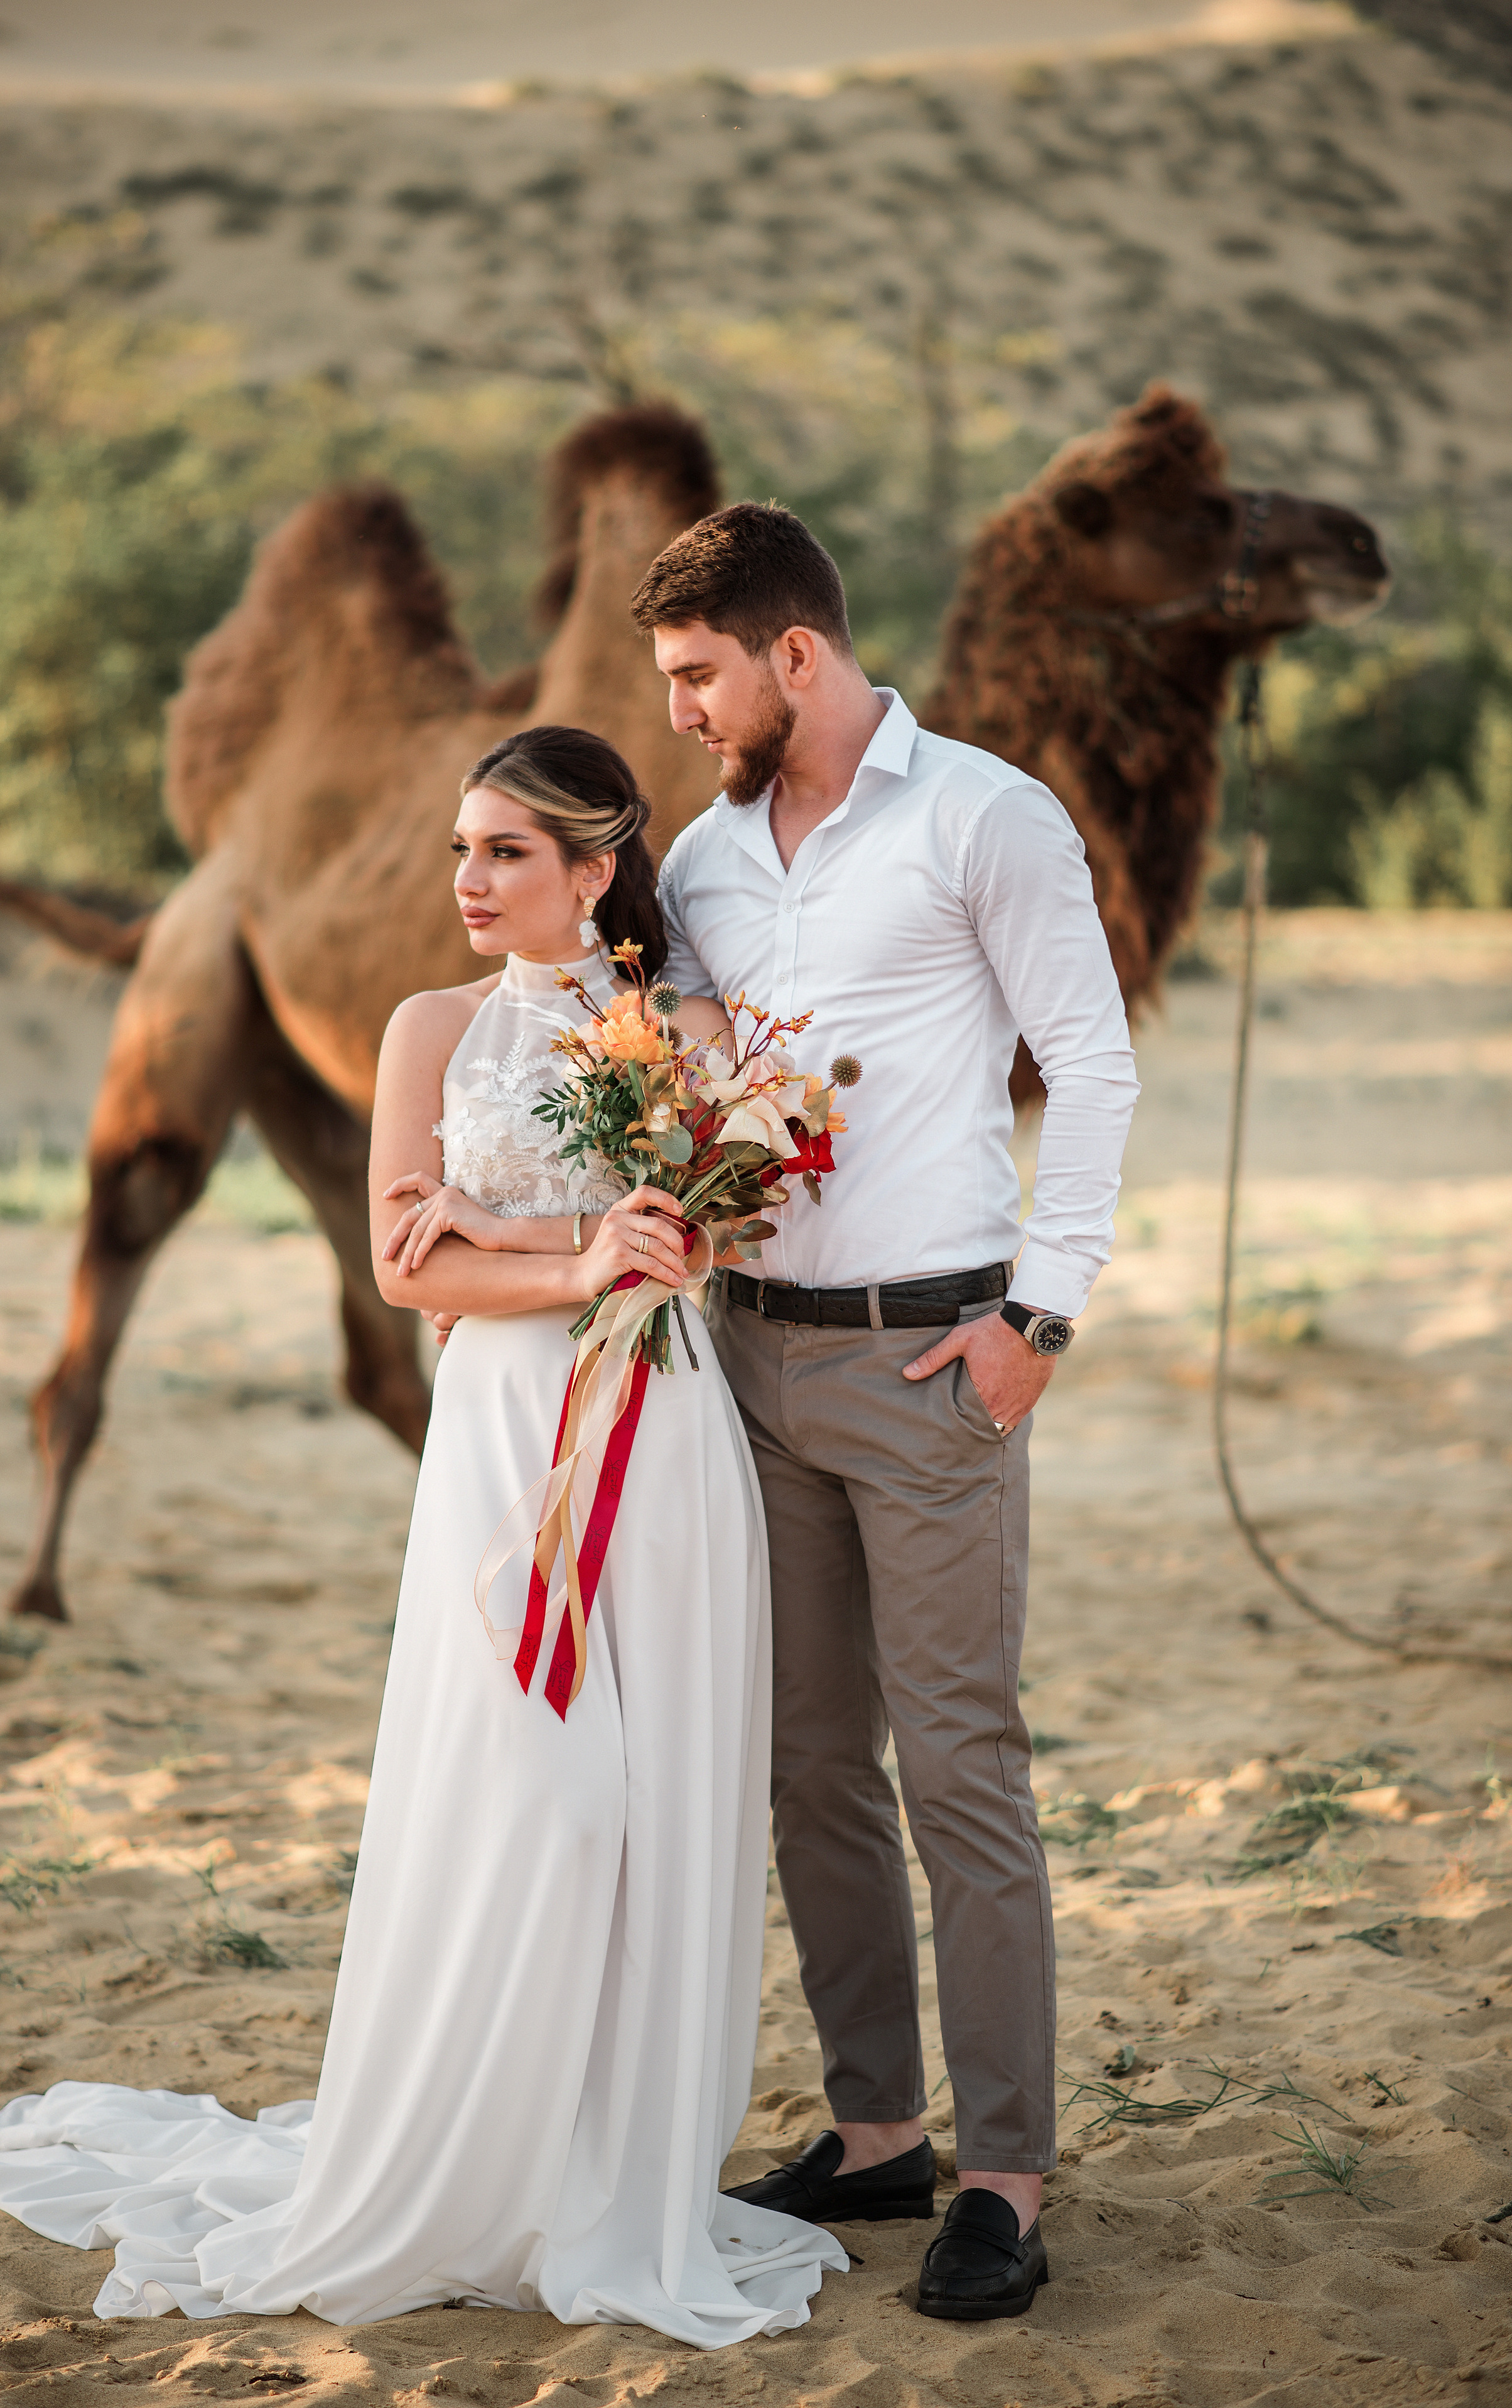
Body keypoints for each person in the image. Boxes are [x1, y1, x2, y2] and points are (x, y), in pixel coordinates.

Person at [0, 725, 847, 2347]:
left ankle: (611, 2177)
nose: (468, 881)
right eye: (460, 849)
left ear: (595, 866)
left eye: (506, 851)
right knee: (540, 1794)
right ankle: (466, 2162)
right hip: (502, 1438)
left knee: (657, 1813)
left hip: (660, 1437)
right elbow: (403, 1264)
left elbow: (700, 1241)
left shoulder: (693, 1034)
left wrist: (511, 1224)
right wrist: (567, 1257)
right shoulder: (429, 1027)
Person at [629, 505, 1140, 2321]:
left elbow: (1093, 1064)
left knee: (961, 1768)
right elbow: (695, 1083)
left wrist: (1039, 1318)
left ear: (796, 652)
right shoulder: (702, 859)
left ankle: (1004, 2174)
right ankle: (876, 2133)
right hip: (752, 1364)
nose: (681, 711)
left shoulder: (985, 816)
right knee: (810, 1767)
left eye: (699, 675)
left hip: (935, 1363)